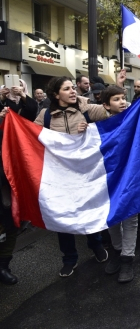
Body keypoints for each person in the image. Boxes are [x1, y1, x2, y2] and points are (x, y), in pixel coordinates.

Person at [34, 71, 127, 277]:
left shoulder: (86, 109)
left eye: (73, 88)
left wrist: (119, 91)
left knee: (88, 208)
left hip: (86, 173)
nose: (72, 91)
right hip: (60, 176)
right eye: (66, 89)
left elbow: (115, 116)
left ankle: (95, 245)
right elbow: (31, 137)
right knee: (62, 216)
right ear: (56, 94)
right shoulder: (46, 116)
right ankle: (69, 258)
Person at [0, 80, 38, 285]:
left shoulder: (19, 107)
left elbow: (31, 116)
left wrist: (23, 96)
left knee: (11, 217)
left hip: (11, 172)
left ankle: (4, 265)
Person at [101, 85, 138, 283]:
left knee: (130, 218)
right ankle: (117, 251)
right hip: (111, 178)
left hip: (132, 175)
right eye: (116, 99)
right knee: (113, 217)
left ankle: (127, 259)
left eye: (123, 98)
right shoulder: (99, 125)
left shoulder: (136, 118)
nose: (122, 102)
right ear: (106, 105)